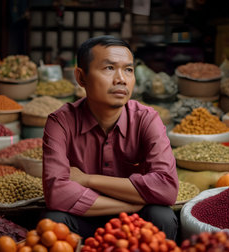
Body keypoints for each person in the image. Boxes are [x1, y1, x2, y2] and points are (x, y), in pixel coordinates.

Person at [41, 35, 179, 240]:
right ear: (81, 77)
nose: (121, 79)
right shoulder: (61, 122)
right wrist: (129, 204)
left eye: (128, 70)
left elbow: (166, 187)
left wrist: (87, 179)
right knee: (53, 221)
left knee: (162, 216)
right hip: (86, 217)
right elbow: (56, 193)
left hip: (133, 222)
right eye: (109, 68)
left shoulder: (147, 119)